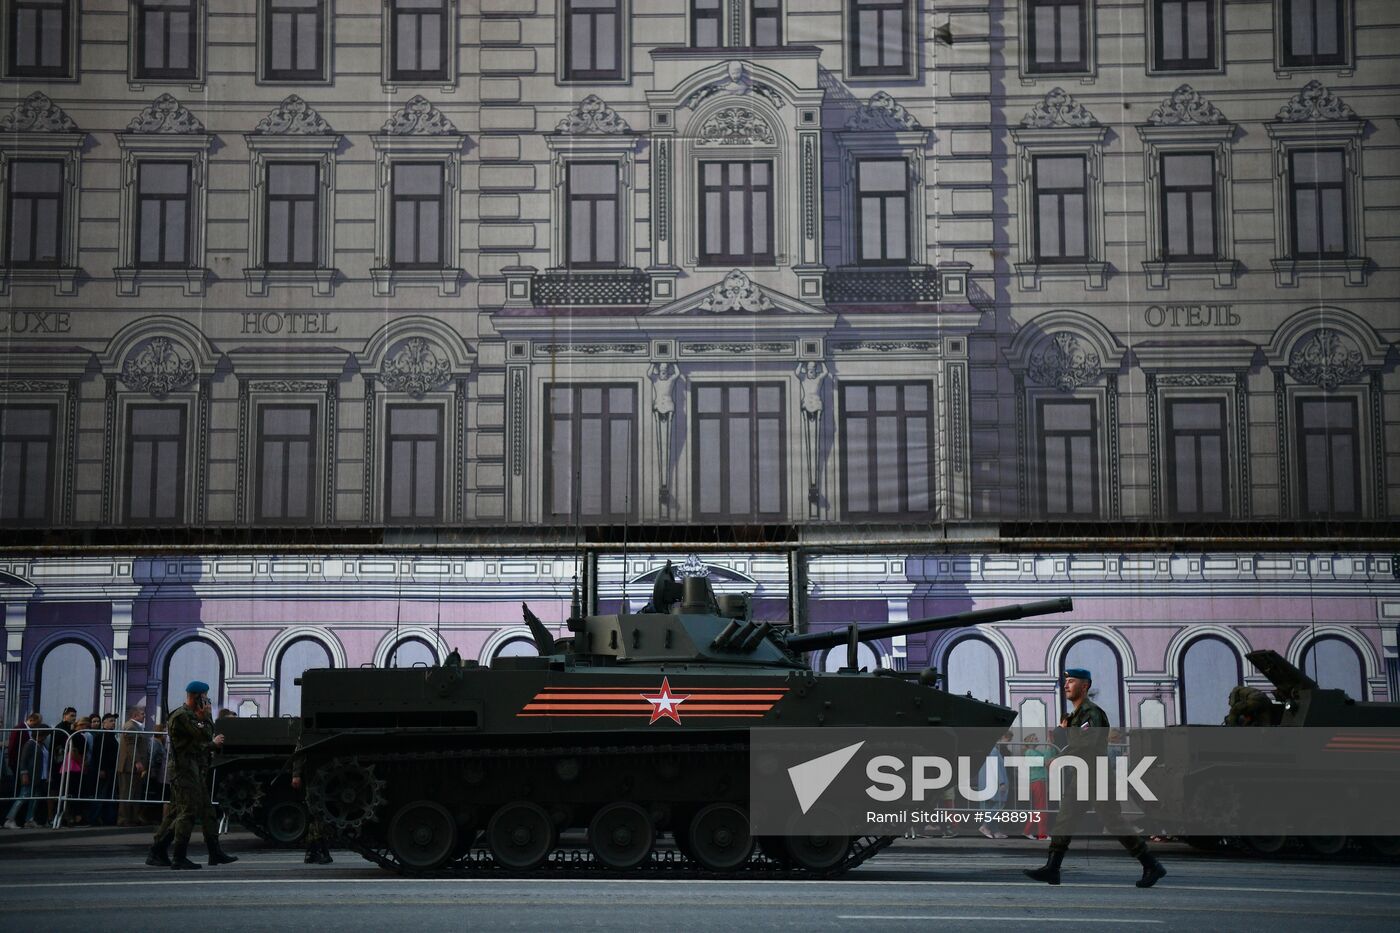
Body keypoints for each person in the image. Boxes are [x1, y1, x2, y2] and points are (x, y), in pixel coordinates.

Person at [1024, 668, 1166, 888]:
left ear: (1085, 685)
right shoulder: (1074, 716)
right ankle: (1052, 869)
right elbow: (1066, 741)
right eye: (1066, 682)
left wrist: (1060, 758)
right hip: (1080, 777)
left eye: (1071, 681)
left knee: (1114, 822)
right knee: (1064, 821)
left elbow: (1086, 744)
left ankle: (1151, 864)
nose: (1066, 685)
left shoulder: (1092, 712)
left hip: (1096, 776)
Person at [144, 683, 237, 870]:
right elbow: (201, 739)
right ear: (195, 696)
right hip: (183, 769)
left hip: (195, 769)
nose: (206, 700)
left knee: (206, 810)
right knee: (186, 812)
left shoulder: (195, 715)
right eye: (204, 697)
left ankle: (214, 851)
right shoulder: (181, 716)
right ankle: (175, 855)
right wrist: (208, 732)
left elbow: (208, 732)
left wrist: (206, 716)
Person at [289, 733, 333, 864]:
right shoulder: (308, 730)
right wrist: (296, 774)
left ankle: (313, 850)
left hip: (328, 773)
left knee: (316, 813)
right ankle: (320, 850)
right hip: (315, 774)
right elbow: (300, 750)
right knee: (316, 812)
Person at [4, 726, 50, 828]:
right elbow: (23, 761)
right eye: (44, 735)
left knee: (35, 798)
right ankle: (9, 819)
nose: (44, 737)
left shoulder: (42, 745)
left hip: (40, 776)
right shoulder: (30, 744)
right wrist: (24, 774)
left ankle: (29, 819)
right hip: (30, 775)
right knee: (23, 797)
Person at [116, 706, 151, 826]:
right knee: (127, 793)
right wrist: (137, 761)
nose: (144, 716)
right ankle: (124, 819)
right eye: (142, 714)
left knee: (134, 793)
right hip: (129, 766)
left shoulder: (136, 727)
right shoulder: (131, 726)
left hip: (133, 766)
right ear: (134, 715)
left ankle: (132, 818)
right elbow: (131, 746)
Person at [1022, 733, 1053, 840]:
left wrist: (1050, 745)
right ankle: (1042, 834)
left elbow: (1047, 757)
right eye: (1034, 738)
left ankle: (1027, 830)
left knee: (1039, 808)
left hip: (1039, 781)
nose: (1037, 739)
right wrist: (1049, 747)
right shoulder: (1030, 752)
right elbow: (1045, 761)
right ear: (1029, 742)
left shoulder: (1035, 752)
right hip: (1038, 781)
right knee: (1042, 808)